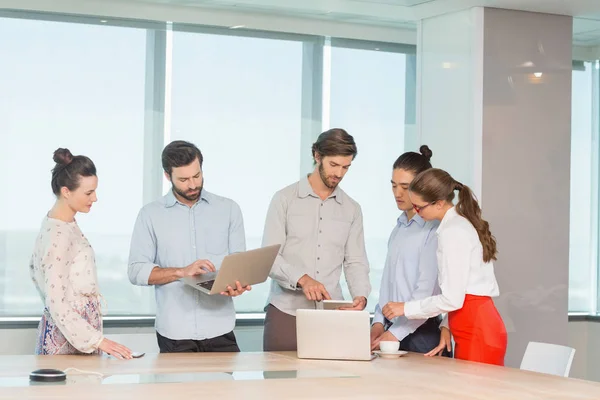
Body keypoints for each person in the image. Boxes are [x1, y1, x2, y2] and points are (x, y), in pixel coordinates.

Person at [128, 140, 250, 353]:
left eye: (197, 176)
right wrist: (181, 272)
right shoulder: (150, 215)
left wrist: (237, 284)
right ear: (168, 176)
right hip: (174, 334)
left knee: (225, 388)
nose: (192, 185)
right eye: (183, 179)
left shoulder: (229, 209)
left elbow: (239, 263)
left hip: (221, 329)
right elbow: (136, 271)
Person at [382, 168, 507, 365]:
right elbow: (463, 288)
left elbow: (452, 298)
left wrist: (405, 308)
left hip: (477, 329)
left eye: (419, 207)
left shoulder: (452, 232)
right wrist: (447, 325)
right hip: (474, 325)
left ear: (439, 203)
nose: (416, 212)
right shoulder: (458, 224)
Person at [262, 128, 371, 352]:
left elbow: (355, 261)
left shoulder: (352, 209)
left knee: (331, 385)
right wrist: (303, 279)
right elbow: (269, 257)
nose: (339, 174)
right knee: (281, 385)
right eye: (334, 165)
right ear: (317, 155)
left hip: (332, 316)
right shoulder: (284, 199)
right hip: (286, 311)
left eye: (345, 167)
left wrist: (361, 295)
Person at [30, 148, 133, 359]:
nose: (95, 198)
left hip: (77, 336)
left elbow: (37, 271)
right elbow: (56, 300)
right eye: (88, 193)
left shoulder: (63, 223)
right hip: (67, 344)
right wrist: (99, 341)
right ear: (66, 191)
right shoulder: (58, 234)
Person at [370, 146, 451, 357]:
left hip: (421, 336)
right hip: (392, 334)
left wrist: (395, 334)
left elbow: (426, 293)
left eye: (405, 187)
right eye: (393, 185)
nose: (397, 193)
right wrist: (378, 323)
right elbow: (387, 284)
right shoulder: (398, 229)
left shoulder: (434, 230)